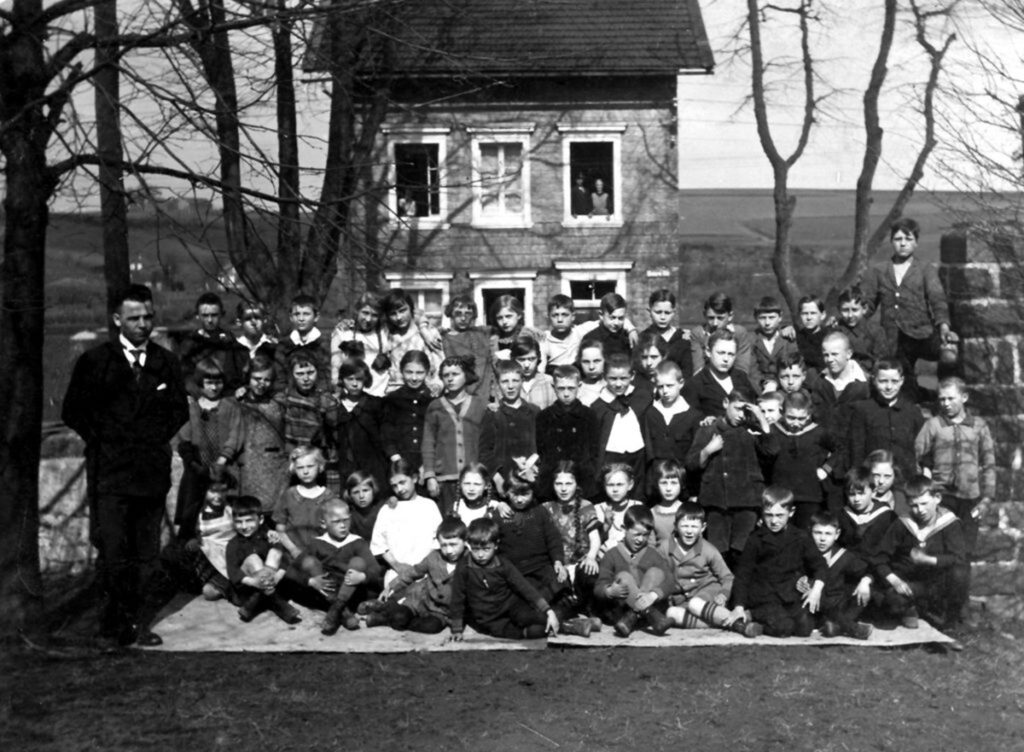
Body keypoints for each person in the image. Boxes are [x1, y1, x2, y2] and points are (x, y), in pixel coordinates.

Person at [62, 283, 189, 646]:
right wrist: (106, 441)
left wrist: (151, 439)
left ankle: (139, 624)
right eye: (134, 318)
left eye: (148, 316)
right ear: (117, 319)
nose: (143, 324)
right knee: (114, 552)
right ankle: (113, 626)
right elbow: (73, 411)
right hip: (110, 475)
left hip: (150, 473)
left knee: (147, 555)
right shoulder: (95, 362)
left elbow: (178, 410)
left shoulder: (166, 362)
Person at [915, 377, 995, 619]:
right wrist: (925, 486)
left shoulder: (978, 426)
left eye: (951, 398)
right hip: (943, 500)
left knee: (963, 555)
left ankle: (957, 611)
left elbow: (989, 464)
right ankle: (936, 608)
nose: (946, 404)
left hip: (970, 500)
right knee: (940, 553)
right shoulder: (933, 425)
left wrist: (986, 500)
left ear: (964, 397)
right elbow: (917, 455)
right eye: (942, 399)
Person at [860, 217, 959, 398]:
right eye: (898, 239)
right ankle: (918, 399)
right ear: (891, 242)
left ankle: (945, 396)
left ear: (916, 243)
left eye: (908, 239)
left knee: (949, 357)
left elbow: (937, 299)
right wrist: (854, 317)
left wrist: (944, 326)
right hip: (893, 339)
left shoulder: (925, 269)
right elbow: (869, 303)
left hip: (923, 333)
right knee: (905, 385)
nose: (903, 243)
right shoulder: (879, 270)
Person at [685, 391, 774, 565]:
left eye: (746, 411)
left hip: (747, 502)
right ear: (726, 403)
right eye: (737, 409)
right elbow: (690, 464)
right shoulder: (708, 430)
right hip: (716, 502)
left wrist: (761, 419)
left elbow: (772, 451)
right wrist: (707, 451)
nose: (741, 415)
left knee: (743, 552)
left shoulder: (752, 431)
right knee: (718, 553)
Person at [728, 486, 827, 638]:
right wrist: (739, 606)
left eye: (780, 515)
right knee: (784, 628)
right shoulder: (756, 539)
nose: (774, 521)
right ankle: (751, 616)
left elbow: (820, 565)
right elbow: (743, 574)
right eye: (769, 515)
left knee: (805, 628)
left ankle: (761, 621)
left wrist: (816, 590)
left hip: (789, 596)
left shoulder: (801, 537)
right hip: (764, 598)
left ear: (791, 512)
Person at [875, 475, 968, 631]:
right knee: (892, 600)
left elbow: (959, 558)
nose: (920, 510)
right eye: (914, 505)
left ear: (937, 498)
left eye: (924, 503)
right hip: (910, 582)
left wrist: (928, 560)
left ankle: (950, 620)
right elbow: (879, 557)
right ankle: (913, 608)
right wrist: (894, 580)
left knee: (960, 573)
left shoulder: (949, 523)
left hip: (938, 583)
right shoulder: (902, 524)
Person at [448, 517, 560, 640]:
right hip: (488, 617)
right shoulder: (464, 567)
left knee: (539, 618)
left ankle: (563, 623)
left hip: (511, 607)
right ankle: (532, 631)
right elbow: (457, 598)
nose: (480, 555)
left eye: (486, 549)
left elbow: (524, 587)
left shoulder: (502, 563)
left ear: (496, 545)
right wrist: (456, 629)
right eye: (475, 549)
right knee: (533, 632)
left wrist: (548, 610)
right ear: (469, 546)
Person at [658, 502, 760, 636]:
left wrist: (723, 594)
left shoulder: (708, 549)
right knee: (671, 613)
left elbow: (727, 577)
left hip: (707, 593)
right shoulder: (664, 548)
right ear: (676, 526)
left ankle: (739, 624)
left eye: (694, 526)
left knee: (695, 604)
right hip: (682, 599)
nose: (689, 531)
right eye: (684, 526)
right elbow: (658, 574)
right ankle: (724, 621)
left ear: (703, 528)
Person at [173, 357, 242, 541]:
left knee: (226, 513)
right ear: (200, 383)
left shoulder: (230, 406)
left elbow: (235, 434)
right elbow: (184, 436)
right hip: (197, 469)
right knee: (192, 514)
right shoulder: (192, 407)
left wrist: (222, 460)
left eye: (218, 382)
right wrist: (193, 462)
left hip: (224, 468)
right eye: (209, 383)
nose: (214, 387)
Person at [364, 517, 469, 634]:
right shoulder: (433, 557)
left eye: (453, 544)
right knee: (400, 616)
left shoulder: (470, 563)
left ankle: (387, 620)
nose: (449, 550)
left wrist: (458, 625)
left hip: (442, 612)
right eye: (444, 545)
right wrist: (390, 586)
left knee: (431, 627)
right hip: (420, 602)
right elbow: (413, 572)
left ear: (465, 541)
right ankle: (385, 608)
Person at [299, 499, 382, 635]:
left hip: (350, 589)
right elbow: (294, 569)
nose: (343, 526)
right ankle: (344, 613)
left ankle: (336, 610)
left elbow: (375, 569)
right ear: (323, 523)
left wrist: (362, 576)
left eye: (346, 520)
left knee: (358, 562)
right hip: (327, 591)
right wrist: (311, 581)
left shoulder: (357, 542)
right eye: (336, 522)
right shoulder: (317, 543)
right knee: (309, 562)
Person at [593, 506, 673, 637]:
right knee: (623, 577)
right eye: (636, 534)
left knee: (656, 572)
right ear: (624, 529)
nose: (640, 539)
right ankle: (649, 614)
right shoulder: (611, 555)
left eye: (645, 535)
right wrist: (609, 591)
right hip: (621, 612)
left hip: (637, 616)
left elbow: (670, 580)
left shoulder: (653, 554)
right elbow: (599, 586)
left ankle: (634, 615)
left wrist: (653, 595)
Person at [422, 356, 488, 515]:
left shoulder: (479, 405)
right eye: (446, 375)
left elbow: (486, 442)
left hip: (473, 480)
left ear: (466, 376)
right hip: (445, 479)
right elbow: (428, 442)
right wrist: (430, 476)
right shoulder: (435, 406)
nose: (450, 379)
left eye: (455, 374)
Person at [763, 390, 837, 528]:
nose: (796, 423)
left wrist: (826, 469)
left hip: (809, 495)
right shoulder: (773, 430)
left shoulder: (818, 432)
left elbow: (840, 450)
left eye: (801, 418)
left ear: (808, 414)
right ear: (782, 411)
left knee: (805, 534)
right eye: (791, 417)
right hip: (780, 495)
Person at [226, 495, 300, 624]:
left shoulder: (268, 538)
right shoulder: (233, 544)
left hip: (270, 584)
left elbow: (284, 562)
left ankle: (258, 601)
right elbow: (233, 573)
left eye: (249, 521)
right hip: (246, 591)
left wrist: (275, 579)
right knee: (253, 559)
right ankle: (278, 603)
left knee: (275, 552)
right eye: (239, 522)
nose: (244, 526)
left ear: (260, 520)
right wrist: (254, 582)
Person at [541, 461, 602, 619]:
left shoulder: (585, 506)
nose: (563, 489)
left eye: (568, 483)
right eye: (558, 484)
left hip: (580, 561)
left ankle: (588, 608)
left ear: (577, 484)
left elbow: (595, 538)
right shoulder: (546, 508)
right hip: (558, 564)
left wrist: (591, 557)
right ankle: (569, 612)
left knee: (589, 573)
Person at [848, 358, 925, 482]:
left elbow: (923, 447)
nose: (889, 387)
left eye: (894, 381)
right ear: (874, 380)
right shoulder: (863, 410)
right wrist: (859, 480)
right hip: (874, 479)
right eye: (883, 381)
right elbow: (857, 449)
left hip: (905, 480)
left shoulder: (912, 411)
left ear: (902, 381)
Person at [371, 459, 443, 588]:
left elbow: (438, 540)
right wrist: (398, 566)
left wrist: (421, 567)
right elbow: (379, 545)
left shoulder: (429, 506)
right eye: (394, 486)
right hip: (397, 574)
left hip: (426, 573)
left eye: (402, 482)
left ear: (414, 478)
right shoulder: (387, 510)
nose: (399, 489)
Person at [801, 511, 873, 639]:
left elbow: (868, 570)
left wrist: (865, 581)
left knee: (863, 591)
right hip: (813, 605)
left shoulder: (843, 556)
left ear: (837, 534)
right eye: (817, 533)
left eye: (828, 534)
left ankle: (835, 626)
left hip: (838, 604)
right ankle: (848, 627)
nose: (822, 539)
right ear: (809, 531)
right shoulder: (802, 554)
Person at [535, 365, 600, 500]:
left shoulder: (589, 415)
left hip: (582, 479)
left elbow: (594, 451)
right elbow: (541, 450)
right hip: (552, 481)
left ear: (579, 386)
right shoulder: (544, 417)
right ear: (553, 387)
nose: (566, 394)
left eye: (571, 388)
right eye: (561, 388)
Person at [235, 353, 288, 515]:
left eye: (267, 380)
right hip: (248, 465)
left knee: (275, 512)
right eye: (257, 379)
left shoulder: (279, 402)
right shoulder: (239, 402)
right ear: (248, 378)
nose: (261, 384)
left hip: (275, 467)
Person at [480, 360, 540, 495]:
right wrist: (497, 478)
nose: (511, 386)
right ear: (497, 384)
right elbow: (484, 452)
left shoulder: (534, 412)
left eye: (515, 381)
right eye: (505, 381)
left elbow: (542, 447)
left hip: (531, 480)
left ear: (522, 381)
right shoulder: (493, 413)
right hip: (503, 481)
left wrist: (535, 467)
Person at [591, 352, 648, 494]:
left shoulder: (643, 398)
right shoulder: (598, 406)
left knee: (637, 492)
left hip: (637, 455)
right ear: (604, 377)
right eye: (613, 378)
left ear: (632, 376)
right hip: (611, 456)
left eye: (623, 378)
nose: (618, 384)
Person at [641, 360, 700, 496]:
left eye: (670, 386)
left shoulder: (693, 416)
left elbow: (694, 456)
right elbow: (647, 454)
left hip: (683, 483)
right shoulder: (650, 413)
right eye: (660, 387)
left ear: (681, 383)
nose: (665, 391)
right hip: (655, 484)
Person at [275, 446, 340, 560]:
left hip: (322, 554)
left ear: (319, 466)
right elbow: (280, 529)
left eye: (310, 466)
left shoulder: (329, 497)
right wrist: (293, 550)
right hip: (293, 554)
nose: (305, 471)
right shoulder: (288, 495)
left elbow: (337, 529)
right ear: (294, 469)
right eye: (300, 467)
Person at [179, 292, 249, 395]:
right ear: (197, 316)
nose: (210, 320)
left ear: (222, 314)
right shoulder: (190, 344)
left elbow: (239, 375)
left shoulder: (230, 343)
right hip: (198, 397)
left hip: (227, 397)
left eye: (214, 315)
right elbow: (184, 376)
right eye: (205, 315)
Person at [334, 358, 387, 491]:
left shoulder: (375, 404)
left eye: (359, 379)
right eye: (350, 379)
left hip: (371, 464)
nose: (355, 384)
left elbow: (383, 437)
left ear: (366, 380)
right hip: (343, 465)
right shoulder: (335, 406)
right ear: (342, 380)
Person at [682, 329, 758, 419]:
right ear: (708, 352)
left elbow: (755, 406)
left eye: (731, 354)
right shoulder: (695, 385)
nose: (726, 359)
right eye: (721, 353)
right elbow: (691, 420)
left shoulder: (741, 377)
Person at [381, 350, 433, 472]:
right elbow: (386, 434)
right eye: (409, 372)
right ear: (401, 371)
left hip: (428, 463)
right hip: (399, 462)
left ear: (427, 372)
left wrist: (428, 465)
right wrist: (397, 460)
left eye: (419, 373)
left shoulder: (433, 399)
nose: (414, 378)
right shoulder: (392, 399)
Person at [330, 292, 390, 397]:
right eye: (365, 313)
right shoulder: (343, 332)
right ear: (357, 311)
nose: (368, 319)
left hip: (380, 395)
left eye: (374, 315)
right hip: (351, 395)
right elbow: (335, 364)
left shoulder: (385, 332)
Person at [688, 292, 754, 376]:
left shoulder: (739, 333)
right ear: (704, 315)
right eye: (711, 318)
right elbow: (698, 368)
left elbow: (742, 367)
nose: (715, 323)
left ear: (730, 316)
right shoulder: (699, 333)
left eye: (720, 318)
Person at [276, 293, 332, 390]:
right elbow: (280, 375)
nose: (301, 319)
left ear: (316, 317)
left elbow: (327, 375)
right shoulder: (284, 346)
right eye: (297, 314)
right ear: (291, 317)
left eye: (306, 314)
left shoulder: (325, 344)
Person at [441, 294, 493, 399]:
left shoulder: (481, 336)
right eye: (458, 313)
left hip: (482, 393)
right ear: (451, 314)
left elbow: (482, 367)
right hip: (455, 393)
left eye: (468, 314)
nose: (463, 318)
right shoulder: (444, 339)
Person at [749, 296, 798, 393]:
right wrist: (765, 385)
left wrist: (776, 384)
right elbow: (752, 370)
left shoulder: (788, 338)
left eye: (771, 318)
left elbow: (792, 367)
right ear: (755, 318)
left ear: (780, 317)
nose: (767, 323)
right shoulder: (751, 340)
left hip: (784, 388)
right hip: (758, 389)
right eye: (762, 318)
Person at [640, 289, 692, 379]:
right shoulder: (643, 338)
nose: (663, 317)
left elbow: (687, 371)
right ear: (649, 311)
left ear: (674, 313)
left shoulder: (683, 337)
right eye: (658, 312)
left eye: (667, 313)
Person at [834, 286, 886, 373]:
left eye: (855, 310)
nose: (850, 315)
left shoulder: (876, 332)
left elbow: (880, 362)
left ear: (864, 309)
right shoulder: (835, 330)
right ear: (839, 310)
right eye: (845, 310)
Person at [648, 459, 686, 546]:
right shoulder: (651, 514)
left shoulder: (688, 510)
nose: (668, 488)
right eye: (664, 483)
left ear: (682, 484)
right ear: (657, 485)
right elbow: (650, 546)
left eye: (674, 483)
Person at [513, 336, 557, 410]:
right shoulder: (509, 383)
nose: (526, 365)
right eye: (521, 360)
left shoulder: (549, 382)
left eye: (531, 359)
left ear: (538, 357)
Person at [344, 470, 385, 541]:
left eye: (365, 490)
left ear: (373, 490)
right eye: (356, 492)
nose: (361, 496)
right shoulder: (349, 515)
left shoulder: (383, 508)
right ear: (350, 495)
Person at [795, 295, 828, 373]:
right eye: (804, 313)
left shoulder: (829, 337)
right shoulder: (797, 337)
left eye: (813, 313)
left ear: (823, 315)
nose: (809, 317)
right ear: (799, 315)